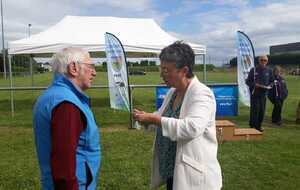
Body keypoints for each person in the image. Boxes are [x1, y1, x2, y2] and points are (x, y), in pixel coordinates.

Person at [133, 42, 222, 190]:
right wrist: (147, 120)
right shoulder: (172, 92)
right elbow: (162, 116)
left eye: (166, 70)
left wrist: (154, 119)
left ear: (184, 70)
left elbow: (192, 128)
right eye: (161, 69)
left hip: (193, 177)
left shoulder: (202, 93)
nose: (162, 74)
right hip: (173, 171)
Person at [33, 47, 101, 190]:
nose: (94, 72)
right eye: (90, 66)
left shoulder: (54, 96)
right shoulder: (67, 104)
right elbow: (64, 168)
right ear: (74, 68)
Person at [246, 55, 273, 132]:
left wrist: (270, 86)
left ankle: (259, 126)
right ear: (259, 61)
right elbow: (248, 81)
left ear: (267, 61)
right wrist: (254, 85)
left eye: (265, 60)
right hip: (255, 93)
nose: (263, 62)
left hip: (264, 94)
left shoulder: (269, 70)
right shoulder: (253, 70)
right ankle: (252, 126)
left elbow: (272, 81)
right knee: (255, 110)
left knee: (262, 110)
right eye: (262, 60)